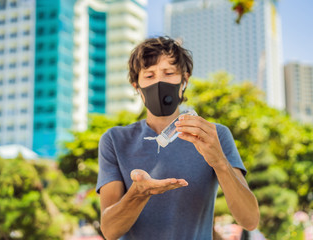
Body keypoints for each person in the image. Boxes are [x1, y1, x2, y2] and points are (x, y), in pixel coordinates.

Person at [96, 36, 260, 240]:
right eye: (149, 75)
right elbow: (110, 231)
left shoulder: (213, 135)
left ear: (184, 80)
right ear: (136, 87)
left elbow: (250, 220)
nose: (159, 82)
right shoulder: (115, 140)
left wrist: (220, 162)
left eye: (169, 73)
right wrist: (138, 194)